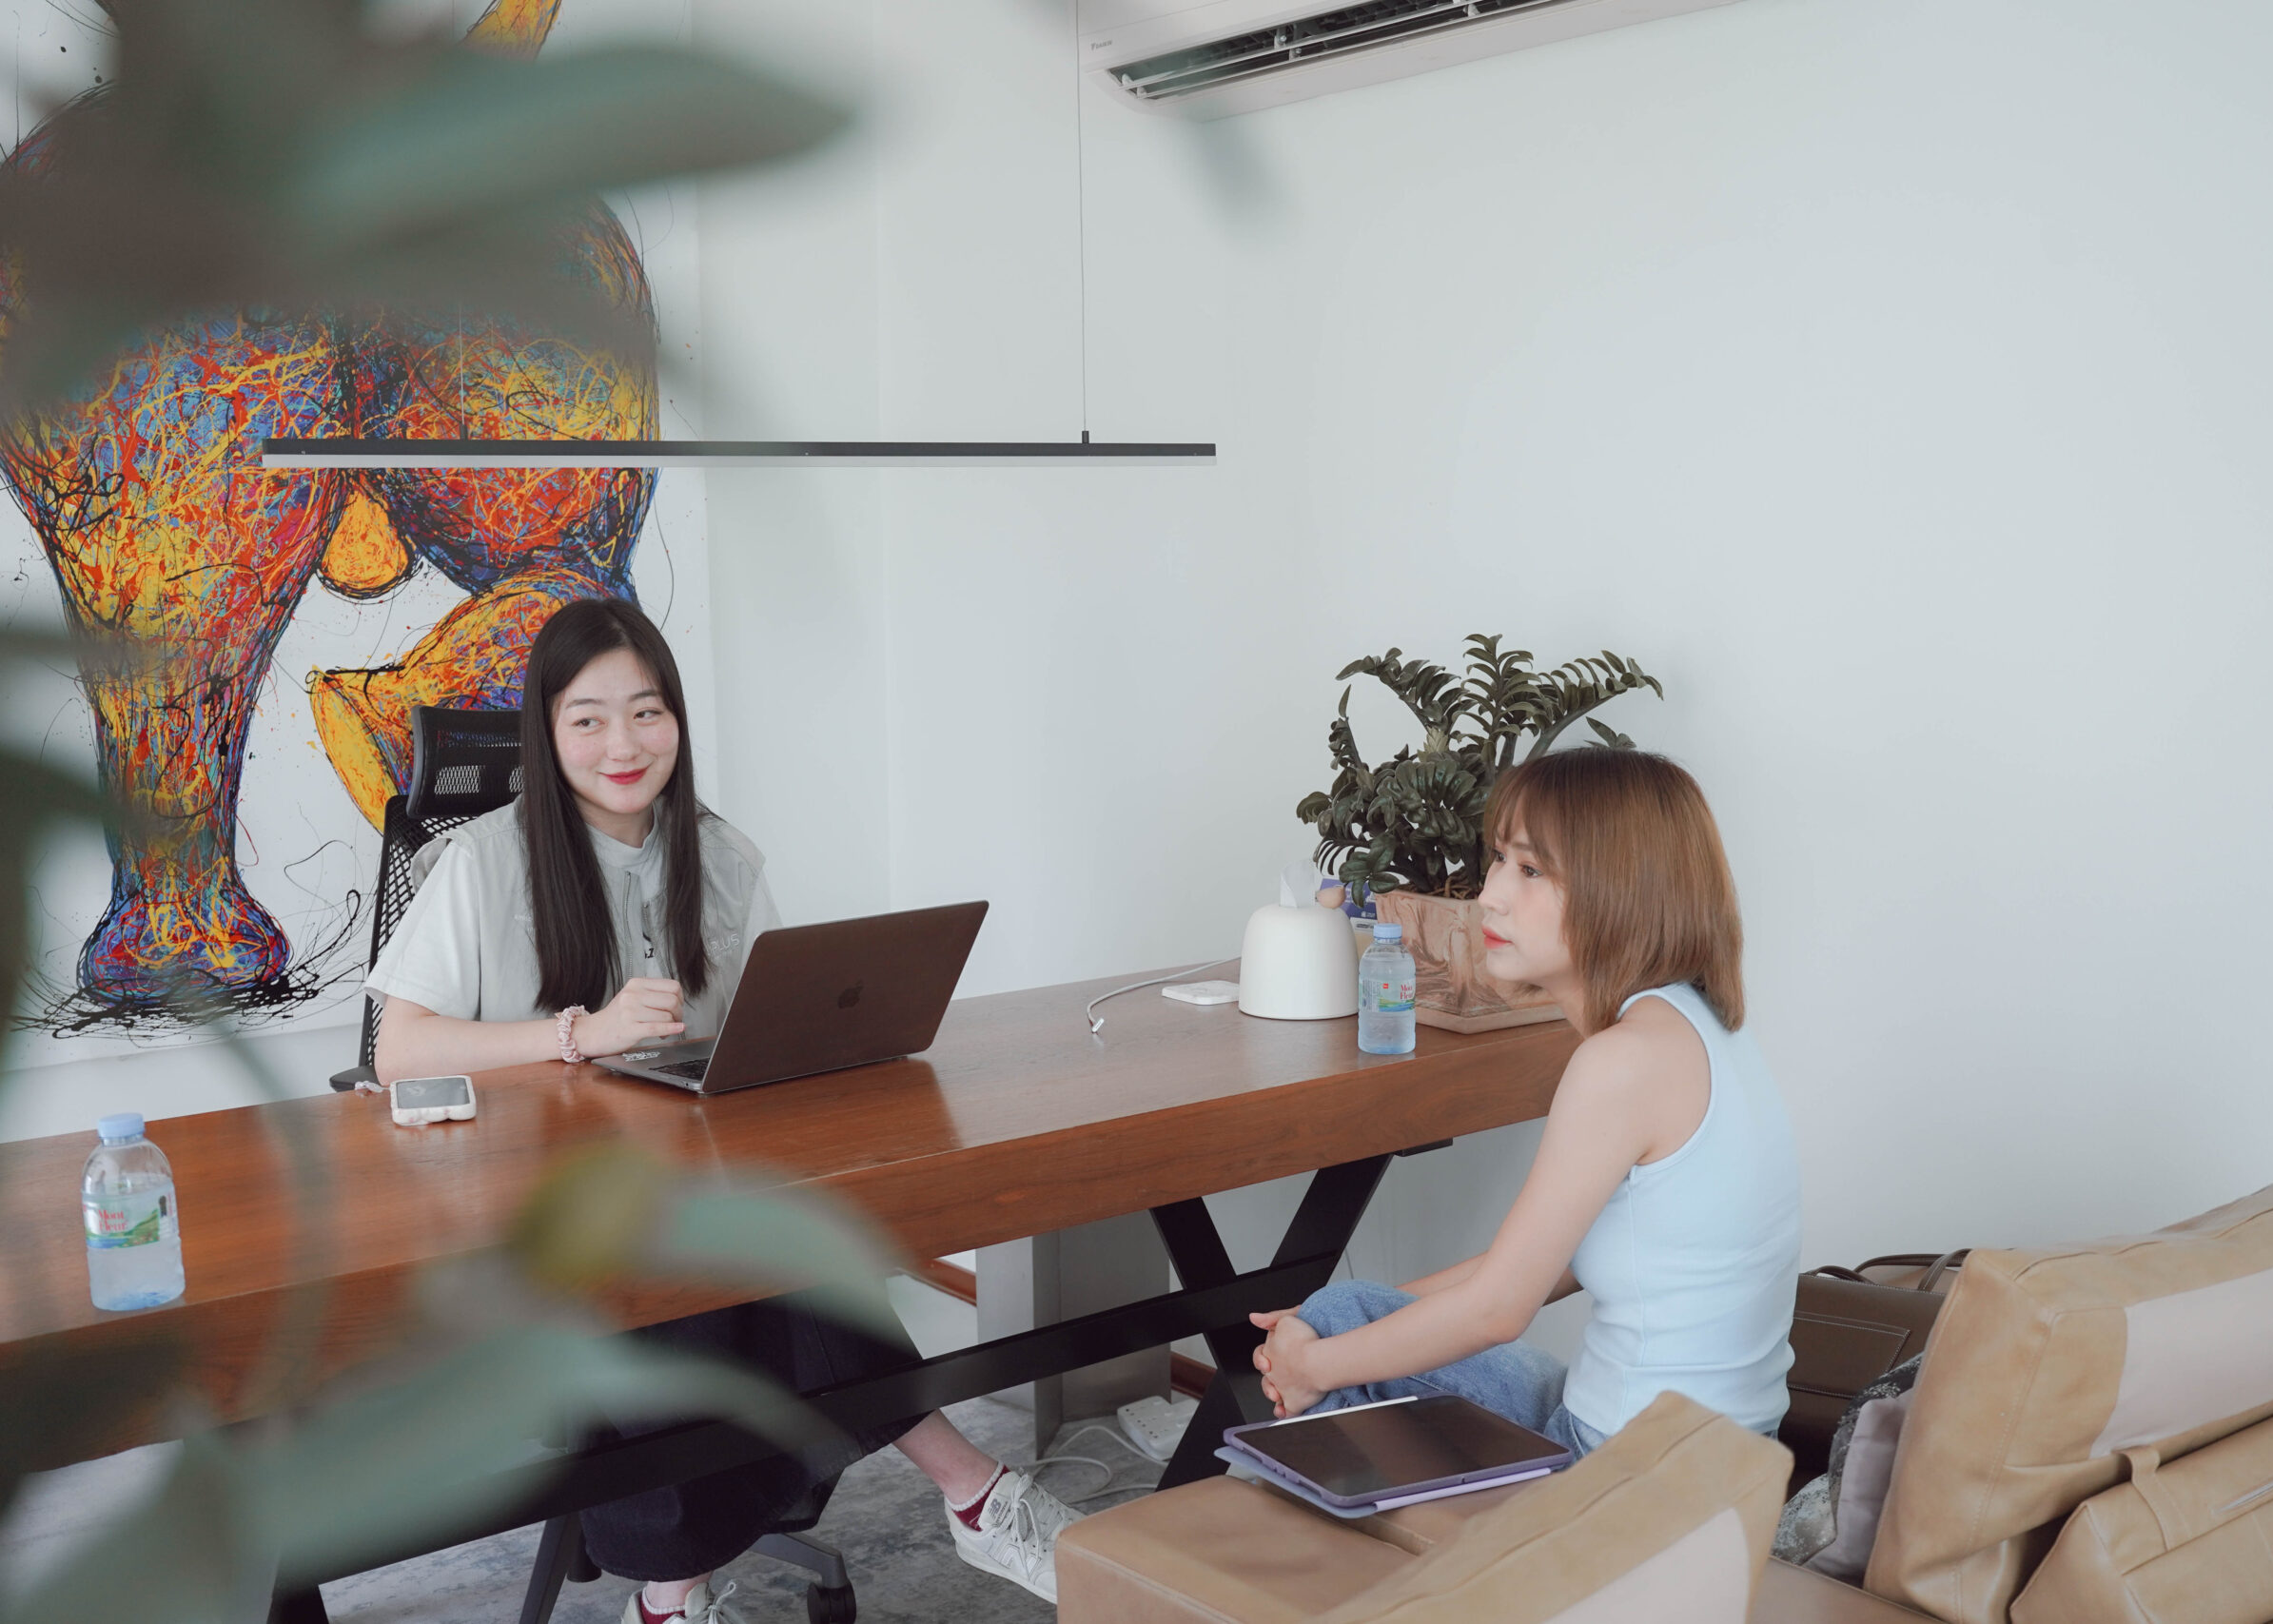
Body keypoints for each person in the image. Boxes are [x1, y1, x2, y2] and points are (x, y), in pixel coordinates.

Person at [369, 597, 1076, 1622]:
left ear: (678, 720)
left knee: (761, 1242)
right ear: (546, 733)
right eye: (588, 719)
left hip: (683, 1183)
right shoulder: (485, 862)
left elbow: (763, 1024)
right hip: (535, 1206)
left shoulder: (719, 854)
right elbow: (398, 1051)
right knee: (751, 1261)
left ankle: (674, 1593)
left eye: (646, 712)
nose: (623, 744)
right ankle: (973, 1491)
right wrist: (581, 1033)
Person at [1248, 749, 1801, 1457]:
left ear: (1622, 888)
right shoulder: (1701, 1028)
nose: (1491, 895)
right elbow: (1538, 1265)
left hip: (1625, 1473)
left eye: (1531, 870)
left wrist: (1314, 1363)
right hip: (1714, 1458)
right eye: (1500, 860)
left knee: (1329, 1344)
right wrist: (1351, 1322)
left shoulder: (1623, 1062)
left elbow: (1498, 1309)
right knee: (1339, 1315)